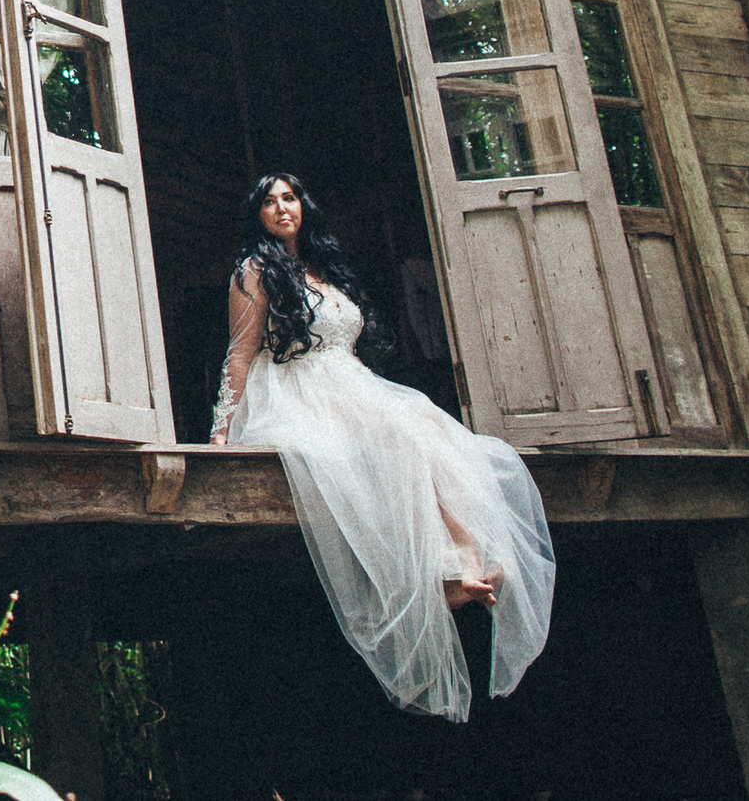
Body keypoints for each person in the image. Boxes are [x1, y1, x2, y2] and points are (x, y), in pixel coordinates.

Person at [210, 171, 553, 722]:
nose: (281, 208)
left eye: (290, 197)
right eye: (269, 202)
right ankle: (441, 572)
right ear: (257, 215)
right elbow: (241, 354)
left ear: (304, 206)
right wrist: (221, 433)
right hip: (298, 392)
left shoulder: (324, 269)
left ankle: (461, 559)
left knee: (431, 430)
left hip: (351, 387)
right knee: (400, 433)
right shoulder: (254, 271)